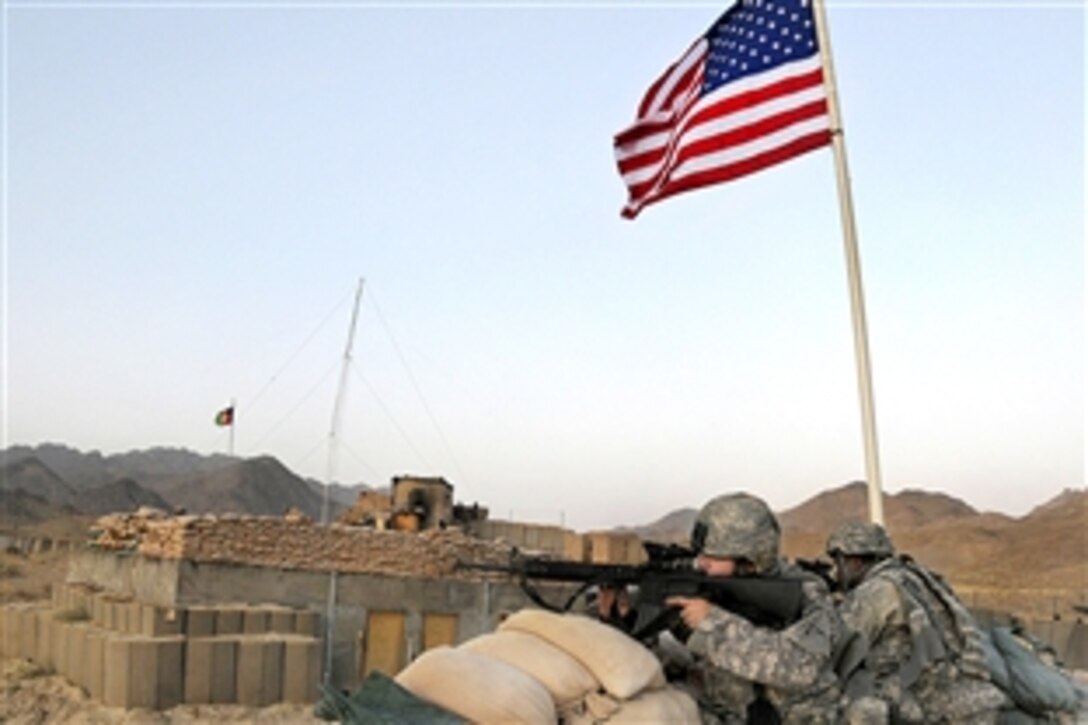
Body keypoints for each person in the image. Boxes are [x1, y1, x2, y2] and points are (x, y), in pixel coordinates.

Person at [656, 492, 848, 723]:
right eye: (701, 554)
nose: (701, 563)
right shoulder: (709, 585)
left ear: (750, 560)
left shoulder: (807, 592)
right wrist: (625, 616)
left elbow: (801, 666)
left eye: (713, 556)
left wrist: (712, 621)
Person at [826, 520, 1007, 724]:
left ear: (855, 562)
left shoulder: (877, 590)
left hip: (936, 708)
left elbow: (837, 649)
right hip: (973, 698)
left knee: (843, 702)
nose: (835, 572)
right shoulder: (921, 579)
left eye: (838, 563)